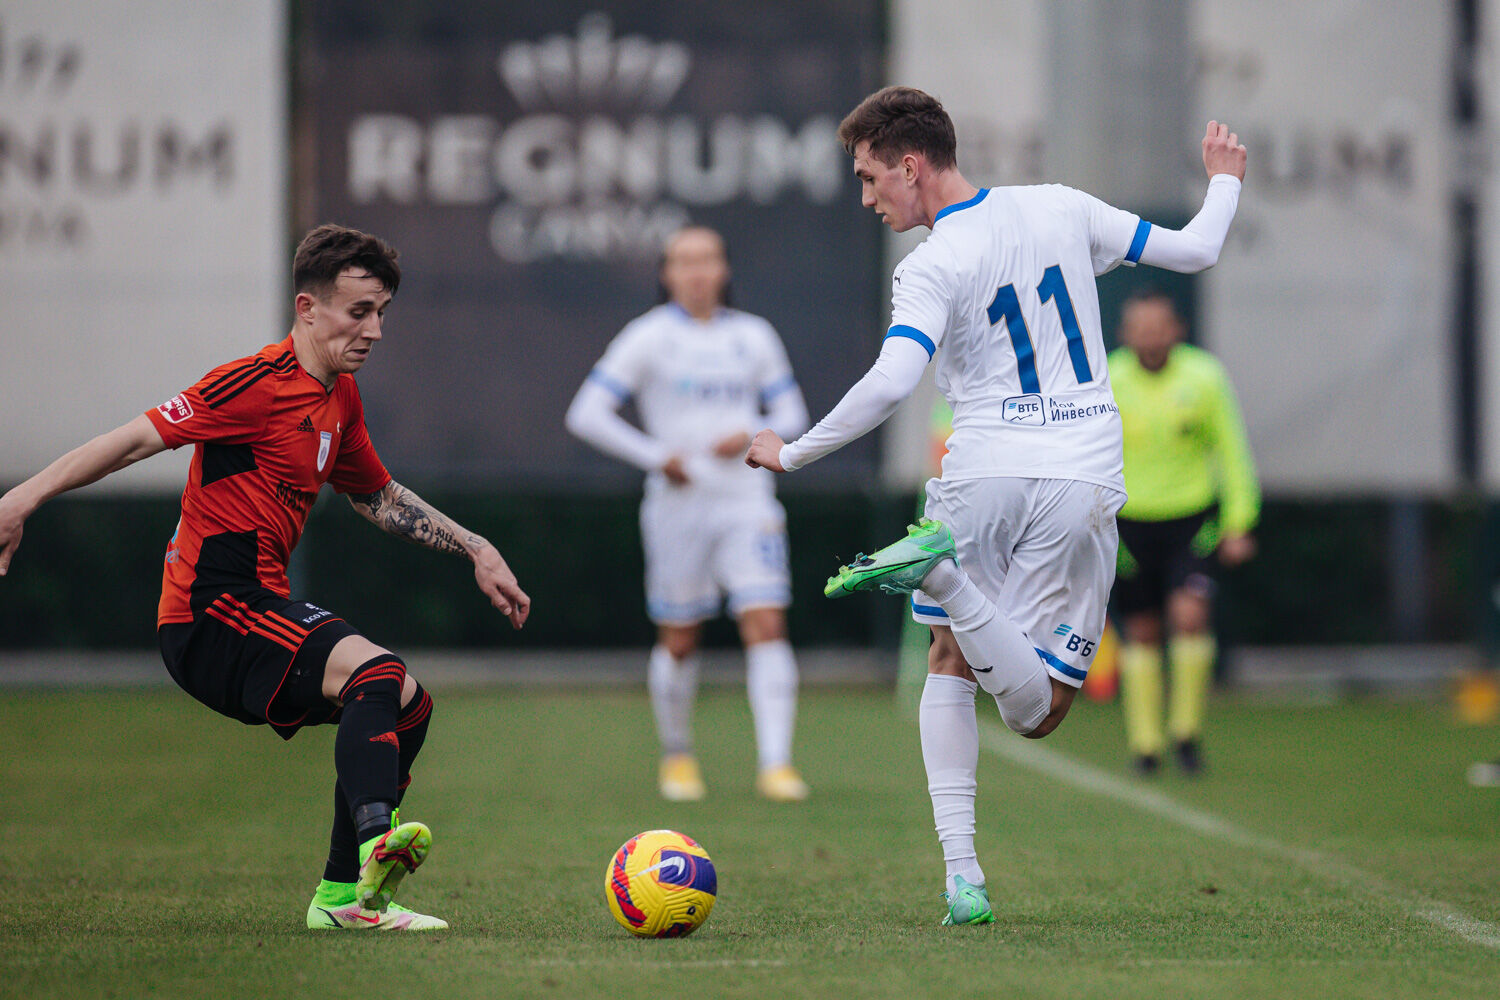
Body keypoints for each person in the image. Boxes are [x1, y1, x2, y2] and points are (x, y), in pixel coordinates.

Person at [746, 86, 1246, 925]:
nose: (866, 198)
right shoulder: (1061, 206)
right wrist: (1224, 179)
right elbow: (1197, 249)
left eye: (869, 177)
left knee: (953, 658)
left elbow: (894, 382)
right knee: (1038, 710)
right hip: (1081, 476)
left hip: (981, 475)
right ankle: (961, 880)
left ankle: (963, 873)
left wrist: (793, 452)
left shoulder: (930, 265)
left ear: (911, 166)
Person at [0, 224, 531, 931]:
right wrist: (20, 499)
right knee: (377, 673)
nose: (375, 330)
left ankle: (343, 900)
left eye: (381, 313)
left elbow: (376, 496)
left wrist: (475, 547)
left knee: (408, 705)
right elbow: (132, 440)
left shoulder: (340, 397)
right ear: (308, 308)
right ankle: (377, 842)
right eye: (359, 312)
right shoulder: (253, 384)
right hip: (208, 611)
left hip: (255, 606)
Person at [566, 225, 812, 803]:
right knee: (679, 637)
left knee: (766, 621)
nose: (698, 271)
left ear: (724, 269)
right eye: (684, 260)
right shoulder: (648, 336)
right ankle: (677, 756)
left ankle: (776, 764)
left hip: (747, 498)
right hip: (678, 505)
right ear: (667, 273)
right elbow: (587, 413)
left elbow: (793, 412)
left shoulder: (753, 335)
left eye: (708, 259)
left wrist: (752, 432)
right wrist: (659, 458)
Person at [1108, 288, 1259, 776]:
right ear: (1125, 334)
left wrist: (1239, 522)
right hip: (1128, 524)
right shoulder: (1107, 379)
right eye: (1141, 329)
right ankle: (1146, 746)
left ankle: (1187, 735)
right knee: (1142, 631)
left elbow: (1232, 452)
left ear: (1177, 330)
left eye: (1159, 328)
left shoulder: (1205, 377)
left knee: (1190, 616)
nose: (1150, 338)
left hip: (1192, 521)